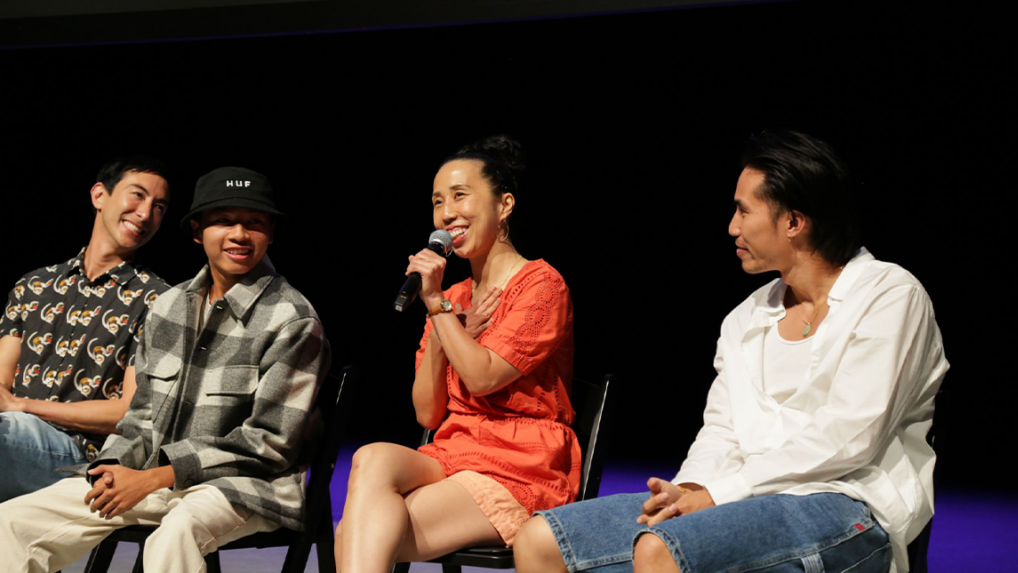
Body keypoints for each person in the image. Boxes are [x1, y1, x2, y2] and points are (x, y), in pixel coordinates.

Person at [513, 130, 948, 573]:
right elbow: (722, 430)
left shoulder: (889, 295)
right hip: (741, 497)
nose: (732, 226)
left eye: (743, 210)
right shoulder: (747, 317)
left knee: (662, 549)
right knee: (539, 540)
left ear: (794, 222)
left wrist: (721, 494)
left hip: (845, 502)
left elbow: (849, 436)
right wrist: (690, 489)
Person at [0, 166, 331, 573]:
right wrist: (116, 465)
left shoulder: (291, 319)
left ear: (271, 233)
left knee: (173, 534)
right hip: (155, 478)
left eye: (254, 223)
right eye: (224, 221)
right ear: (197, 231)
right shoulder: (169, 306)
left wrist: (159, 475)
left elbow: (269, 443)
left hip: (244, 488)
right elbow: (141, 415)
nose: (240, 235)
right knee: (12, 523)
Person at [335, 135, 577, 573]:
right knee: (370, 457)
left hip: (517, 463)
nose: (447, 214)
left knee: (356, 532)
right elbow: (427, 414)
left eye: (460, 196)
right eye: (437, 201)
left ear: (504, 206)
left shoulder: (542, 285)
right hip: (455, 451)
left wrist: (436, 308)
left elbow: (484, 378)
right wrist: (446, 328)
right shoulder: (455, 295)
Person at [0, 156, 171, 502]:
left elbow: (128, 413)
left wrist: (24, 406)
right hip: (11, 434)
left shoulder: (159, 300)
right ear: (99, 196)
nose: (144, 213)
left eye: (159, 208)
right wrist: (13, 405)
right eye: (137, 195)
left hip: (80, 455)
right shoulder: (33, 285)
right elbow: (3, 379)